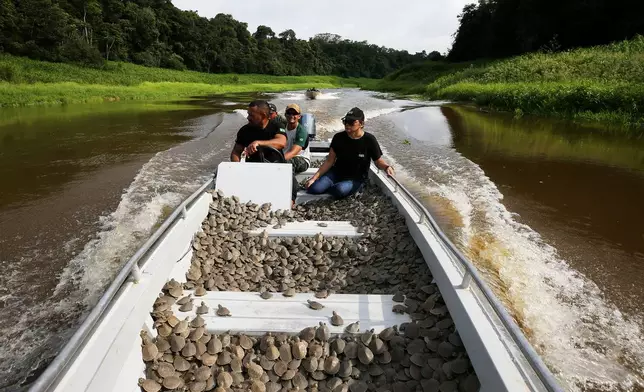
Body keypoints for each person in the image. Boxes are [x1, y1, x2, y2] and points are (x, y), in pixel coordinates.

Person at [305, 107, 394, 199]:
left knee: (339, 190)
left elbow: (378, 161)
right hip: (337, 173)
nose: (347, 124)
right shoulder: (338, 137)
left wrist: (387, 167)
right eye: (345, 121)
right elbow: (329, 161)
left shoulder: (369, 140)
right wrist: (314, 178)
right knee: (314, 189)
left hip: (356, 178)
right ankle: (331, 185)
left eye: (351, 122)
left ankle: (357, 186)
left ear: (361, 124)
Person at [282, 103, 311, 174]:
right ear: (285, 115)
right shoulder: (281, 127)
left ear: (299, 116)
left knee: (287, 165)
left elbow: (293, 152)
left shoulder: (301, 131)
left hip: (301, 159)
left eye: (294, 113)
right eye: (289, 113)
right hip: (284, 156)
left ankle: (294, 185)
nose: (291, 116)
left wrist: (279, 160)